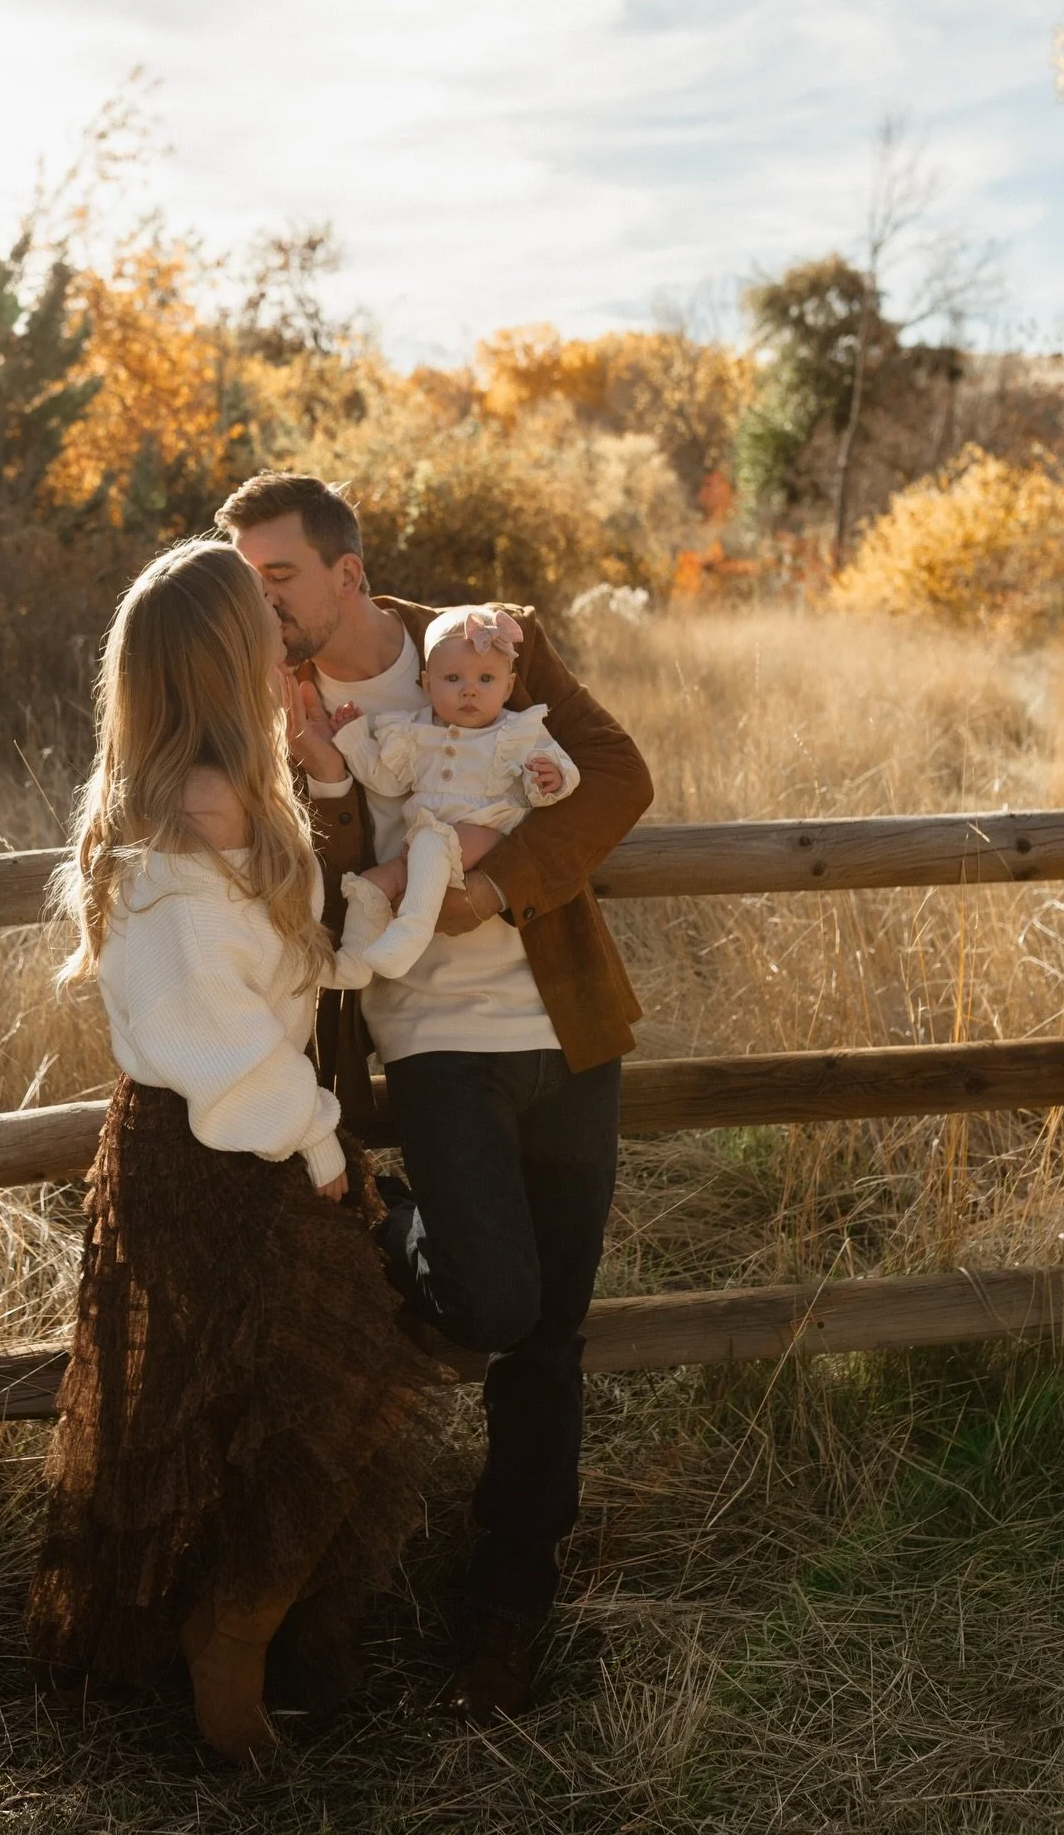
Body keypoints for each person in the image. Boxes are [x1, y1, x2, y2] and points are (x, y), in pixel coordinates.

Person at [218, 471, 653, 1722]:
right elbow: (308, 883)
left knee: (551, 1336)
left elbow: (615, 773)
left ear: (347, 574)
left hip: (568, 1026)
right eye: (244, 580)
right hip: (429, 1043)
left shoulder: (484, 639)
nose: (259, 601)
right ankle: (385, 1219)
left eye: (278, 576)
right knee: (497, 1299)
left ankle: (506, 1606)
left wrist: (500, 884)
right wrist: (319, 778)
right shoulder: (262, 698)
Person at [23, 538, 440, 1765]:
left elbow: (277, 978)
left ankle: (233, 1641)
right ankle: (227, 1652)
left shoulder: (225, 795)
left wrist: (381, 897)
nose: (280, 640)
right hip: (220, 1150)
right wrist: (322, 1149)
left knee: (275, 1404)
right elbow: (221, 1043)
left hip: (236, 1137)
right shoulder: (177, 829)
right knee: (328, 1386)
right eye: (259, 625)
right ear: (219, 658)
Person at [329, 603, 580, 980]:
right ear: (428, 685)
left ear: (508, 686)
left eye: (486, 679)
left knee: (434, 841)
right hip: (420, 848)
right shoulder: (414, 733)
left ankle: (411, 934)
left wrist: (552, 778)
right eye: (452, 679)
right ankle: (354, 964)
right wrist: (354, 739)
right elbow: (386, 781)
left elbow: (556, 769)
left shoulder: (516, 732)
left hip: (486, 834)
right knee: (373, 883)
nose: (469, 691)